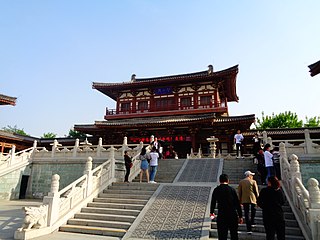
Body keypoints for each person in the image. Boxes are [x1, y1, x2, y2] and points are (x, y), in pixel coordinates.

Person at [210, 174, 243, 240]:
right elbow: (237, 203)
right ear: (228, 181)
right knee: (234, 234)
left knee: (222, 235)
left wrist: (212, 212)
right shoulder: (232, 190)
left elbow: (213, 202)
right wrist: (240, 216)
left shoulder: (216, 190)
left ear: (219, 180)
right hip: (232, 215)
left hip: (222, 215)